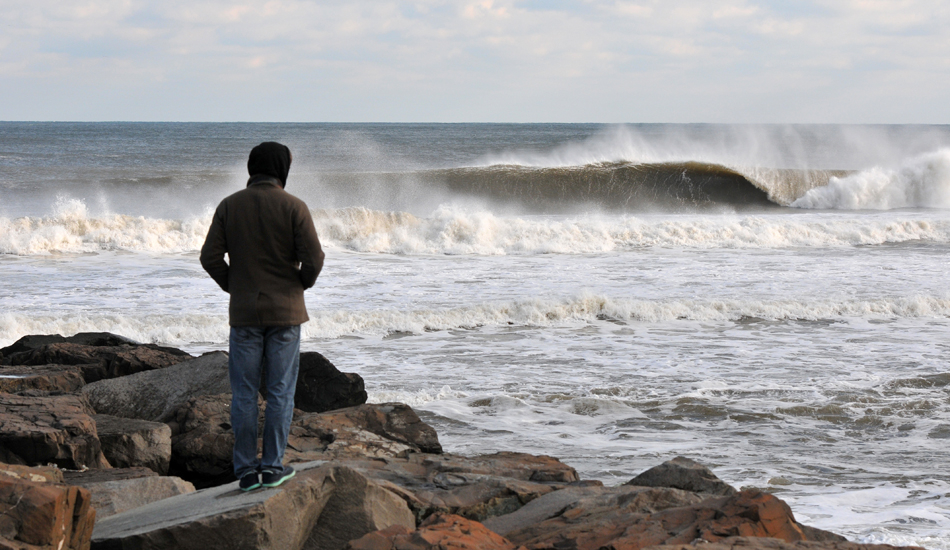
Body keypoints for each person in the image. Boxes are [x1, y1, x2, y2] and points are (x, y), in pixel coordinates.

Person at [200, 141, 325, 491]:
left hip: (245, 314)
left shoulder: (230, 205)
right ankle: (271, 467)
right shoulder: (294, 206)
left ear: (252, 168)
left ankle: (245, 472)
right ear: (282, 169)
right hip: (286, 312)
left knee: (243, 394)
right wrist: (300, 285)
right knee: (280, 392)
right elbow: (314, 258)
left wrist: (235, 287)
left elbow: (209, 257)